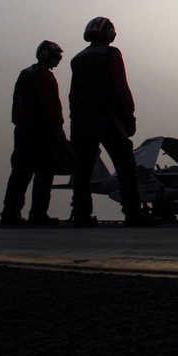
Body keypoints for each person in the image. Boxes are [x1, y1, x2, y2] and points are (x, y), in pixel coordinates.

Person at [69, 17, 159, 227]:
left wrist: (74, 125)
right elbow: (120, 87)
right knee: (126, 165)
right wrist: (128, 116)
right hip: (108, 118)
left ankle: (81, 214)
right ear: (109, 33)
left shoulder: (77, 58)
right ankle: (133, 213)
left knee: (83, 169)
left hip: (83, 119)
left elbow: (73, 96)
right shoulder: (111, 54)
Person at [0, 41, 69, 226]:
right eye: (57, 56)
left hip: (22, 131)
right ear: (48, 55)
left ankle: (10, 213)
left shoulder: (25, 74)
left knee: (20, 173)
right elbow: (50, 106)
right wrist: (58, 129)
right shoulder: (45, 76)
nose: (59, 60)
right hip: (41, 132)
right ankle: (38, 214)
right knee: (44, 173)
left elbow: (16, 105)